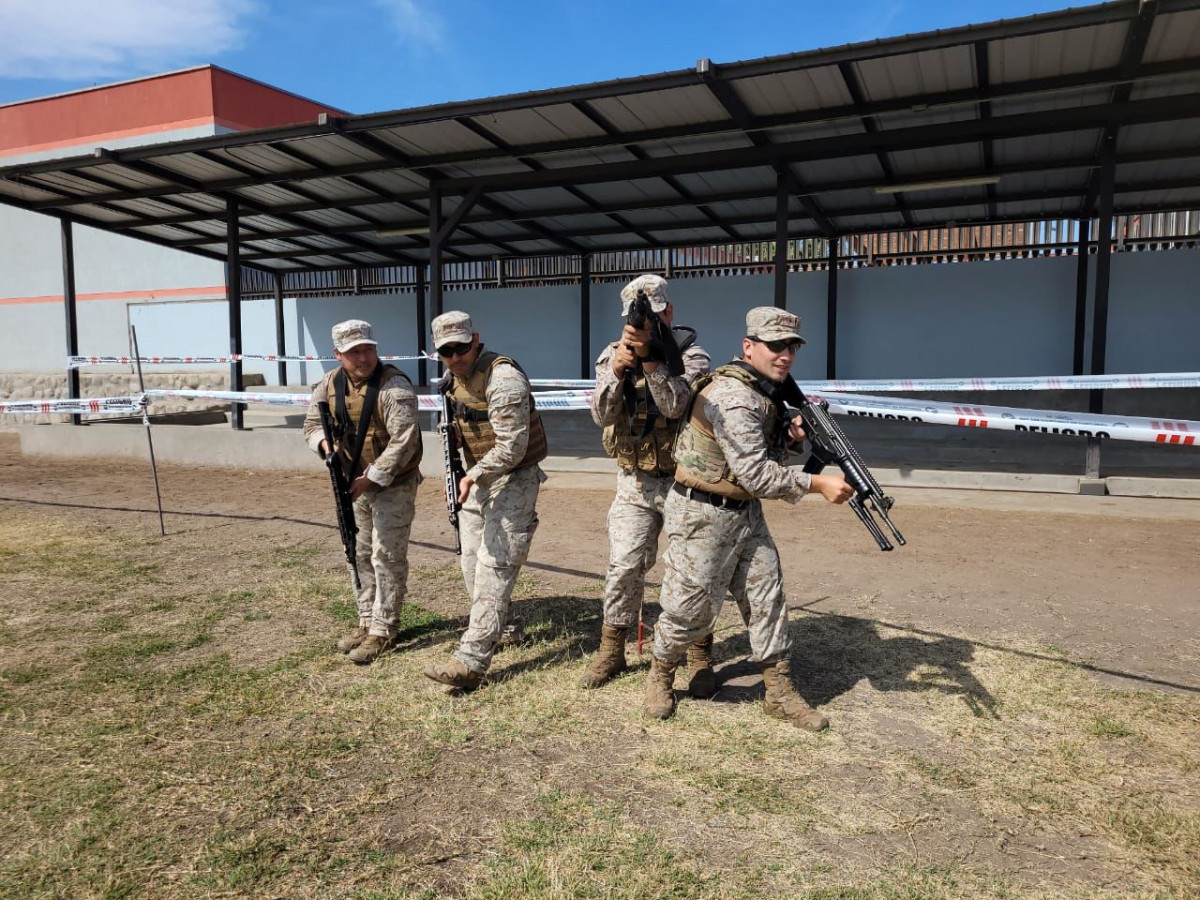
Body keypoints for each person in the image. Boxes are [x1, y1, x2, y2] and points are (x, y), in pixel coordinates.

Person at [643, 307, 854, 730]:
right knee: (688, 608)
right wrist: (817, 483)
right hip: (702, 513)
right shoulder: (733, 396)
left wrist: (792, 439)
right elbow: (755, 473)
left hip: (744, 513)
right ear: (749, 346)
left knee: (767, 597)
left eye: (791, 347)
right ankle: (661, 673)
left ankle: (778, 692)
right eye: (775, 346)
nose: (785, 355)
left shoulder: (764, 390)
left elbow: (763, 457)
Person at [584, 273, 714, 693]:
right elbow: (601, 416)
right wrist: (619, 371)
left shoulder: (693, 356)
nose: (644, 326)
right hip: (635, 483)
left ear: (668, 313)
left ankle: (698, 653)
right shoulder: (613, 355)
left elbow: (676, 406)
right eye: (637, 320)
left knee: (690, 572)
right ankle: (612, 647)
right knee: (624, 565)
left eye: (655, 317)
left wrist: (653, 364)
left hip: (683, 483)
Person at [423, 310, 547, 691]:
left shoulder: (503, 377)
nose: (456, 356)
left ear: (475, 339)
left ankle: (471, 661)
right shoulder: (451, 380)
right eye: (446, 351)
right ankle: (503, 628)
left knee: (494, 564)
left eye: (461, 348)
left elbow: (513, 446)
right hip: (477, 479)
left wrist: (474, 474)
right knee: (471, 562)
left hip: (513, 477)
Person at [302, 318, 422, 665]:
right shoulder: (329, 384)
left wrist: (370, 478)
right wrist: (326, 446)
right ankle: (366, 619)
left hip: (392, 483)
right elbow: (310, 425)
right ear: (338, 353)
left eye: (368, 349)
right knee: (358, 550)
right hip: (352, 483)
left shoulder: (393, 385)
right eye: (354, 352)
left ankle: (384, 629)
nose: (364, 357)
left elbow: (404, 440)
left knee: (386, 556)